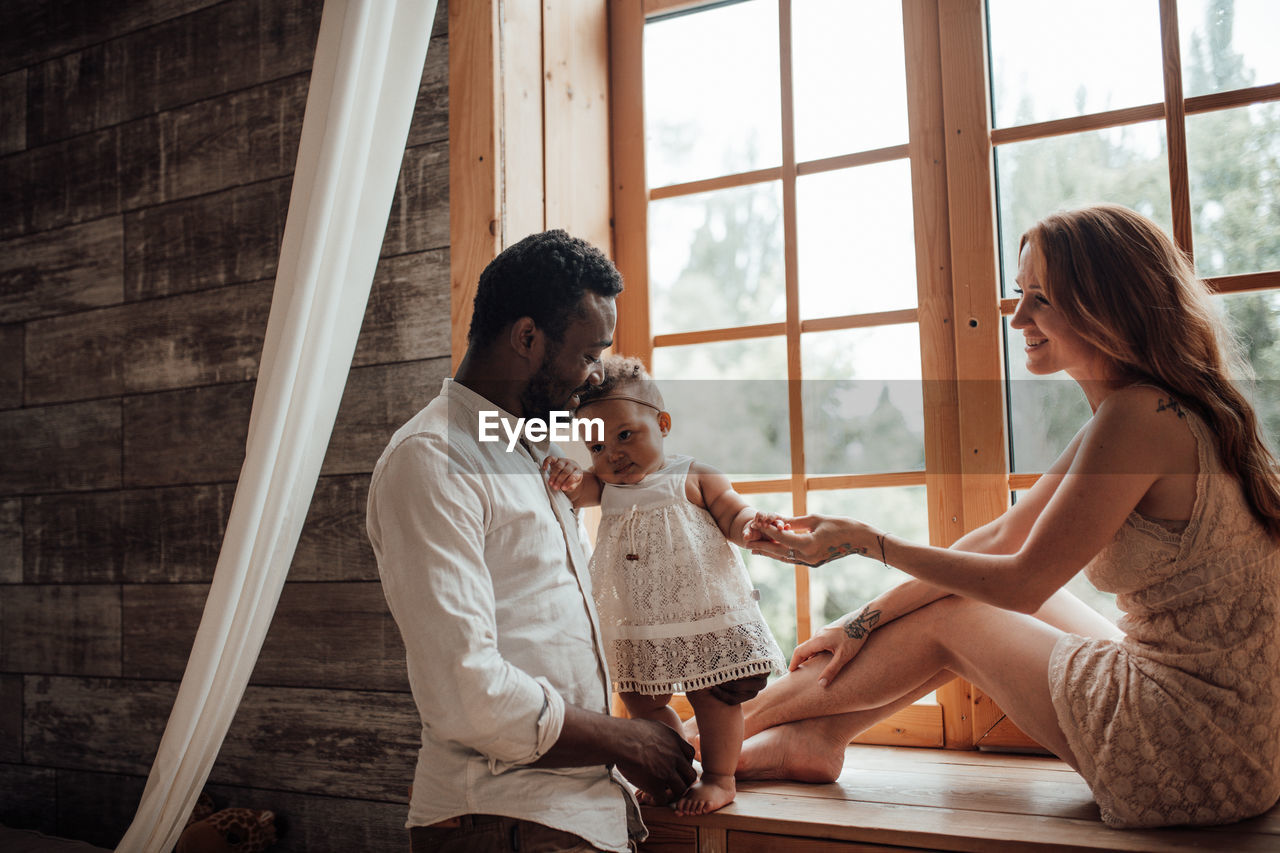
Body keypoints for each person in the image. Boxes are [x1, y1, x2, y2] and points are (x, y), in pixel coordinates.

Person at [735, 204, 1280, 829]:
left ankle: (708, 739)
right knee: (961, 595)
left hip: (1194, 750)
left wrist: (867, 542)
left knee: (963, 611)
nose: (1016, 316)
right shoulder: (1150, 409)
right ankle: (816, 740)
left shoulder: (1140, 419)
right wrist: (858, 622)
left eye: (1041, 300)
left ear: (1108, 307)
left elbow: (1021, 583)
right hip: (1239, 741)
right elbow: (998, 539)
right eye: (1019, 293)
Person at [367, 231, 758, 853]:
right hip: (506, 823)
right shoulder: (432, 460)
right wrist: (623, 739)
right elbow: (466, 691)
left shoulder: (538, 452)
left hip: (571, 818)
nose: (594, 375)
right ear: (527, 338)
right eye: (587, 354)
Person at [541, 356, 787, 816]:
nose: (612, 453)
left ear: (663, 423)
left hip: (701, 612)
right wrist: (565, 472)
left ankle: (719, 777)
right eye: (595, 447)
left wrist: (754, 526)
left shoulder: (693, 475)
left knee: (712, 698)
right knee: (641, 702)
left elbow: (734, 514)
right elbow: (573, 490)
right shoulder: (605, 486)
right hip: (638, 621)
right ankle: (673, 770)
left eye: (625, 435)